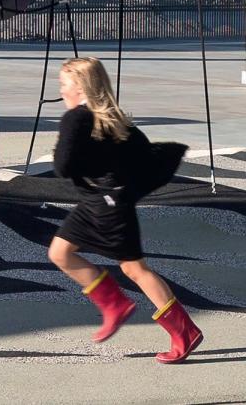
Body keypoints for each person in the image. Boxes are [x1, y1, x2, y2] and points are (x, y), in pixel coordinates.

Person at [45, 56, 201, 363]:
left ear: (80, 86)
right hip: (101, 201)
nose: (61, 90)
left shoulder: (76, 118)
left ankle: (183, 332)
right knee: (60, 253)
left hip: (105, 205)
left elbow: (62, 167)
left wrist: (69, 147)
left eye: (64, 84)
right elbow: (143, 153)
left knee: (134, 269)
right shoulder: (114, 119)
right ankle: (114, 304)